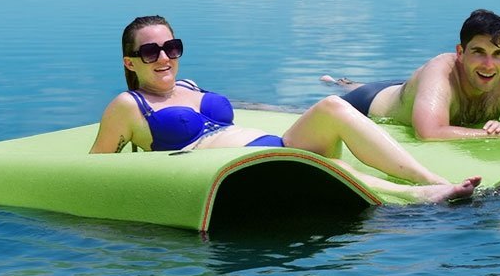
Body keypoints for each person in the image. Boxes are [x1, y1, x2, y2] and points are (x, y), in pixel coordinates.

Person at [91, 16, 479, 205]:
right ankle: (420, 196)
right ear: (130, 62)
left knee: (332, 104)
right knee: (333, 167)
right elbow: (94, 169)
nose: (164, 57)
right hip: (236, 169)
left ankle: (430, 177)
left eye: (171, 47)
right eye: (150, 51)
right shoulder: (129, 105)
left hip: (272, 146)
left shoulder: (189, 87)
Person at [323, 9, 500, 141]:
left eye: (498, 54)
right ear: (460, 52)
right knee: (334, 99)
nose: (489, 65)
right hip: (370, 102)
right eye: (478, 52)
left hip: (416, 92)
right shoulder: (441, 71)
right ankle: (337, 83)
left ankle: (346, 82)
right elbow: (428, 133)